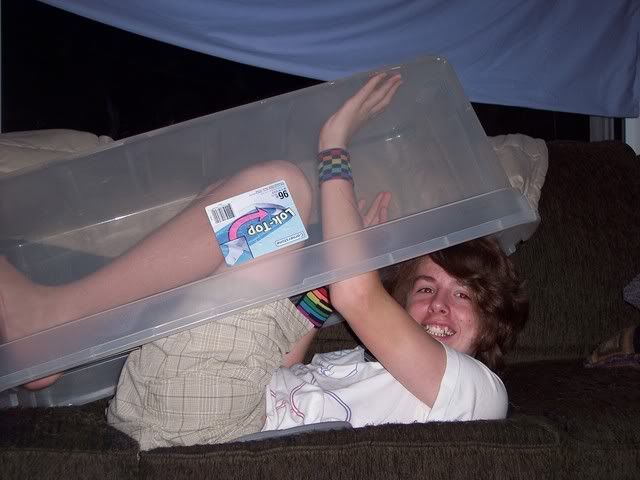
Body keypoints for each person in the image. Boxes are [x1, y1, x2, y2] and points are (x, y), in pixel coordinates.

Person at [0, 73, 528, 448]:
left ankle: (52, 321)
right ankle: (52, 328)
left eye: (463, 294)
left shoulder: (479, 394)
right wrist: (325, 281)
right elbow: (283, 366)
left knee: (281, 193)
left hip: (216, 418)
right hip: (199, 412)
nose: (438, 305)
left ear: (493, 321)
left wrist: (334, 146)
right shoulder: (366, 365)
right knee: (251, 213)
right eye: (425, 288)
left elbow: (358, 295)